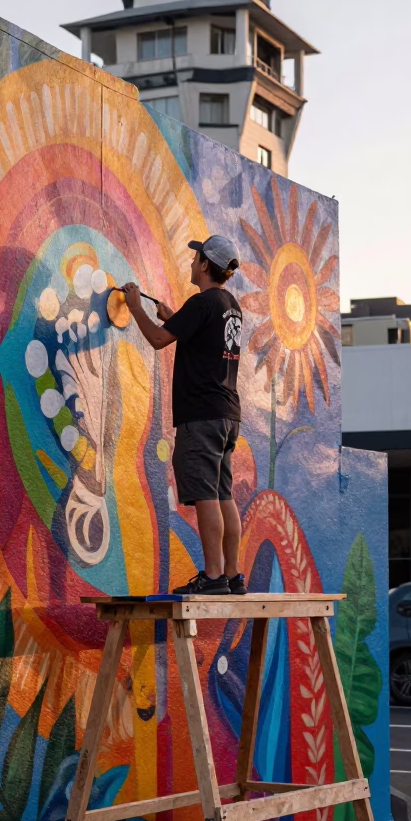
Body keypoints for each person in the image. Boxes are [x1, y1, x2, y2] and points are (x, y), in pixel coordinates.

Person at [122, 234, 245, 596]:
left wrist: (135, 307)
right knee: (223, 494)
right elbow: (204, 340)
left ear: (206, 265)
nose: (192, 263)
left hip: (202, 415)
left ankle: (213, 575)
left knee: (207, 494)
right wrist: (174, 317)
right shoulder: (229, 306)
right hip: (227, 414)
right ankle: (233, 575)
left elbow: (159, 340)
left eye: (196, 258)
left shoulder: (202, 301)